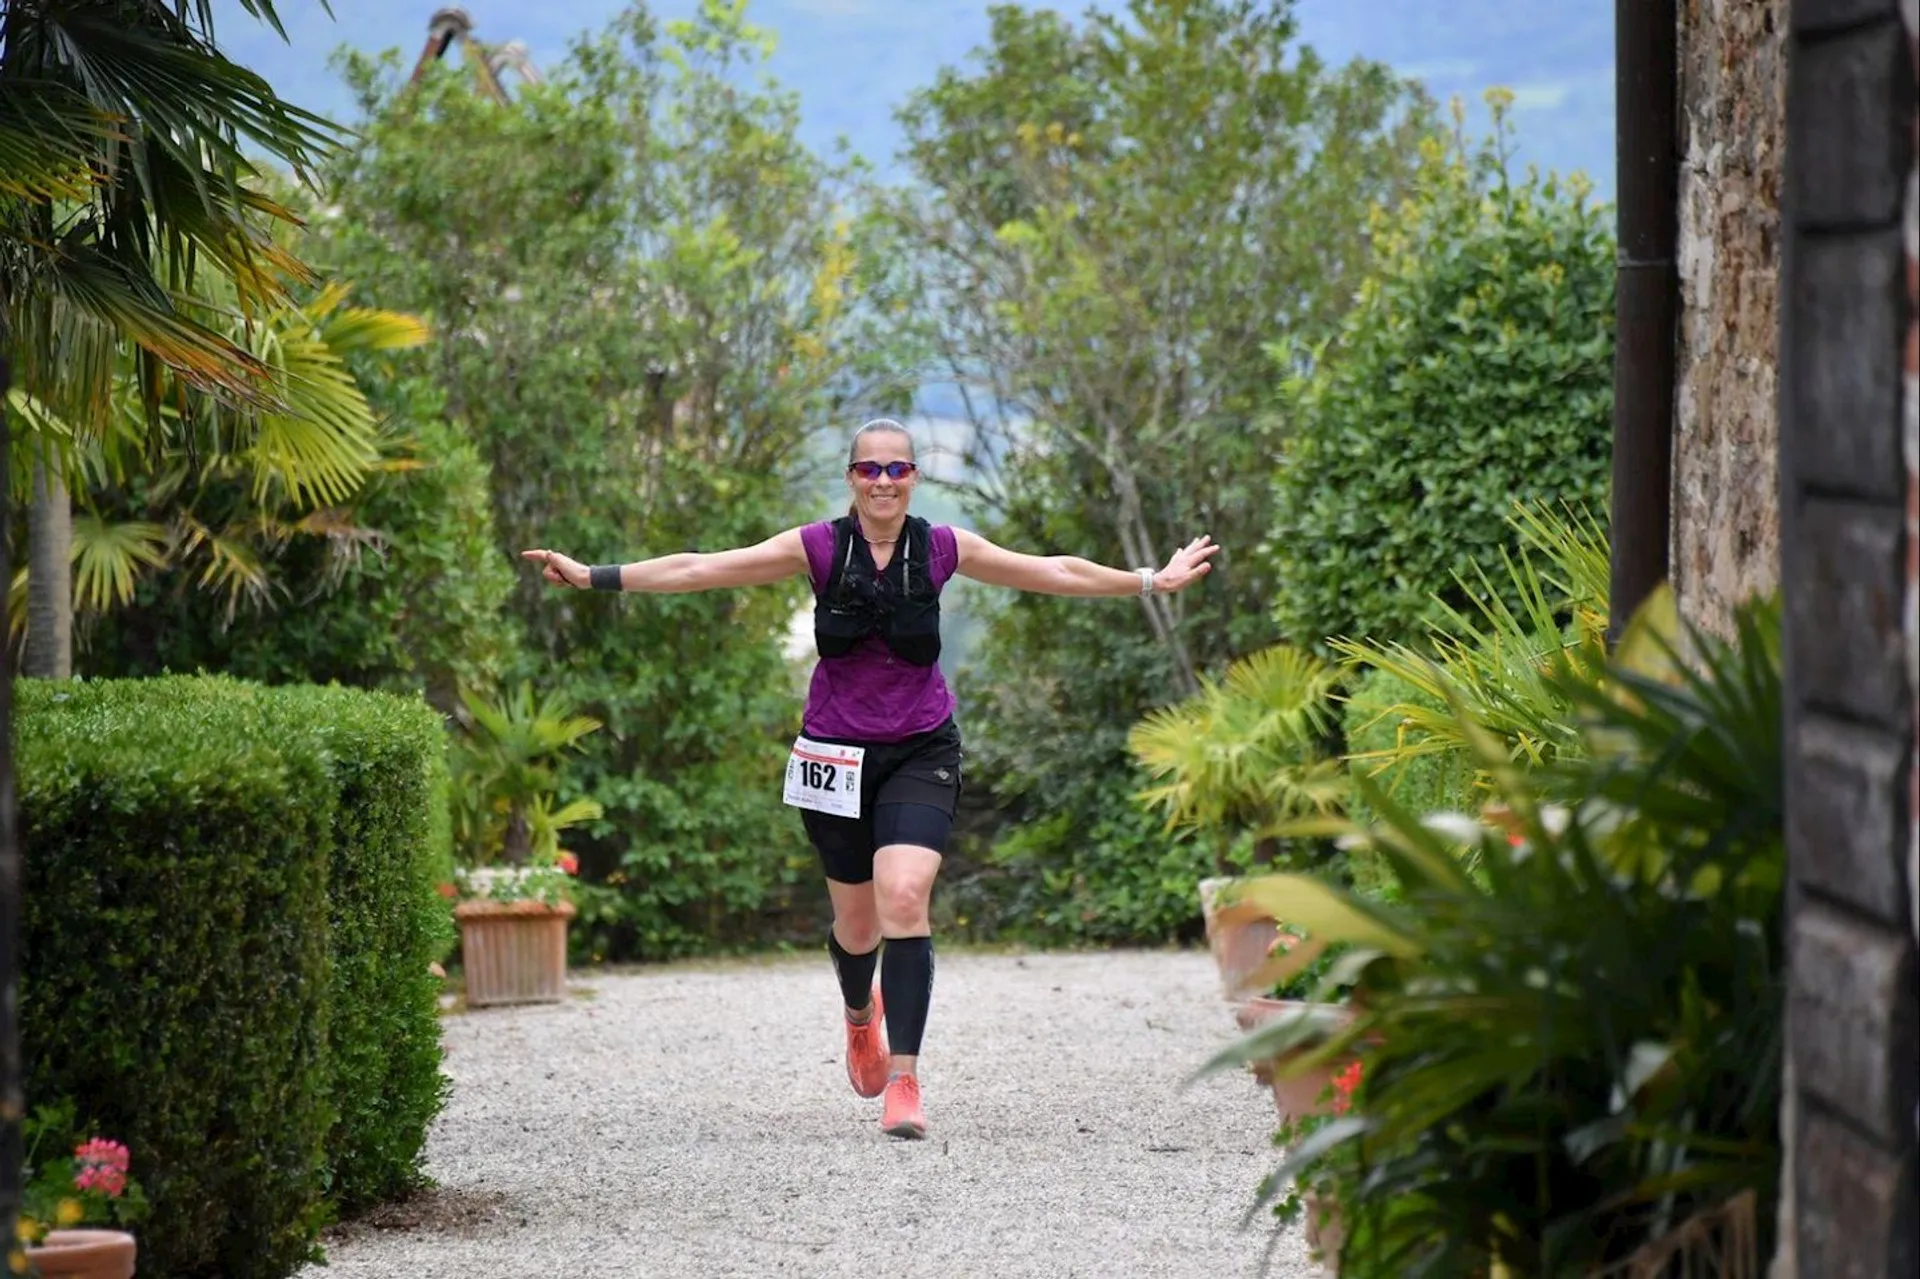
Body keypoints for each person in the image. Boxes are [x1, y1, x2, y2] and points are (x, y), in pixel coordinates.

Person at [521, 418, 1219, 1140]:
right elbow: (700, 568)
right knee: (857, 928)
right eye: (869, 469)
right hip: (834, 755)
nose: (883, 482)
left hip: (921, 748)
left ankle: (905, 1081)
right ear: (851, 477)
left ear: (914, 477)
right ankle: (861, 1017)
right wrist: (595, 575)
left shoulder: (942, 547)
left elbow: (1055, 570)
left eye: (897, 469)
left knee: (905, 897)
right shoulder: (818, 547)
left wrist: (1150, 580)